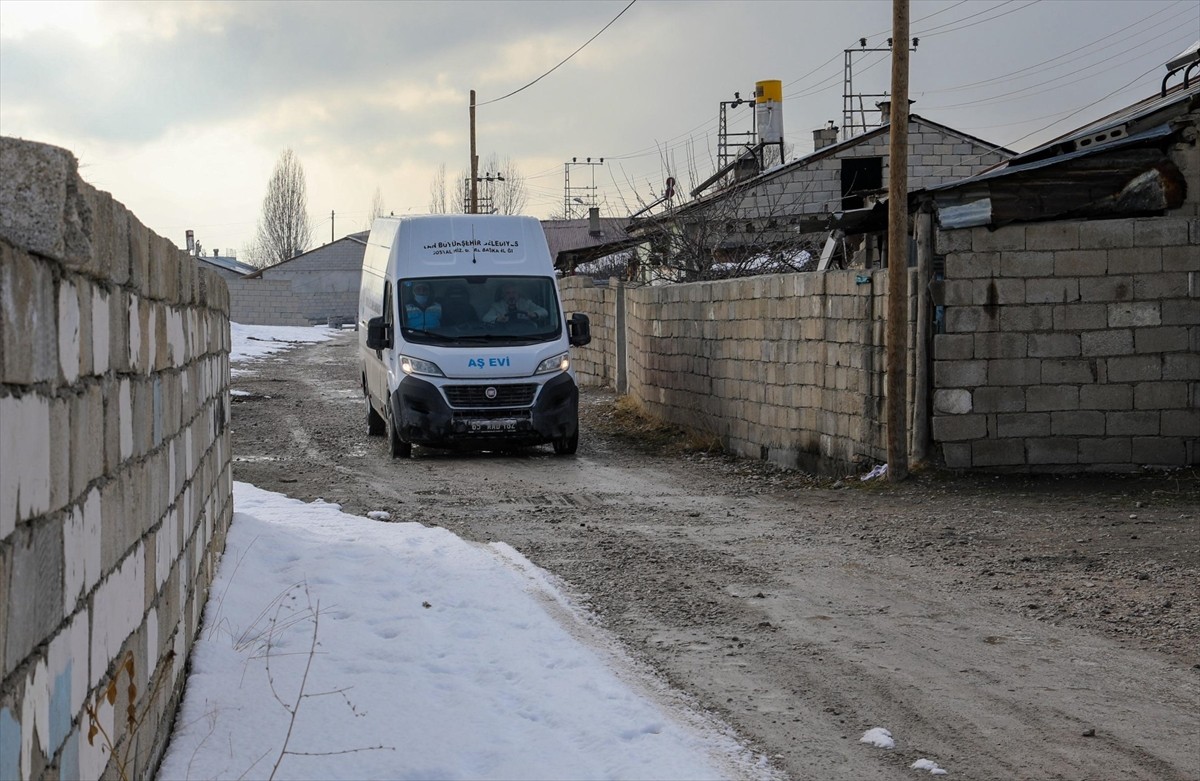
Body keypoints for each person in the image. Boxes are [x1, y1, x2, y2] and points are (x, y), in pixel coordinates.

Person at [483, 283, 548, 324]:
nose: (511, 296)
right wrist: (497, 319)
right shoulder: (497, 306)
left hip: (526, 334)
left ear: (518, 294)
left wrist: (535, 314)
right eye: (508, 293)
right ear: (503, 295)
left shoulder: (526, 303)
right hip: (503, 335)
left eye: (514, 292)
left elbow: (544, 312)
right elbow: (486, 318)